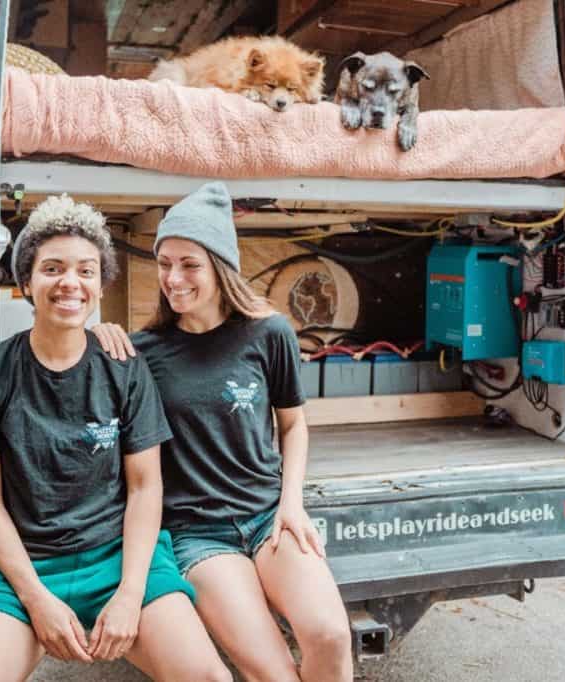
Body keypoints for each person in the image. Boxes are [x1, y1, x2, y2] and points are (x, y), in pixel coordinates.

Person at [0, 195, 230, 682]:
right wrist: (35, 599)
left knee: (209, 678)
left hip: (119, 558)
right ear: (26, 281)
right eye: (52, 268)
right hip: (23, 570)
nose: (70, 282)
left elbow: (144, 487)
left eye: (86, 271)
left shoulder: (124, 367)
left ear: (99, 284)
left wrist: (132, 595)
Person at [94, 182, 353, 682]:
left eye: (189, 263)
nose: (173, 277)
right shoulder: (140, 352)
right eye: (165, 263)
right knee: (271, 672)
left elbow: (293, 424)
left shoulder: (269, 332)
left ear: (220, 266)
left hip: (267, 519)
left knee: (331, 636)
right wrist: (96, 331)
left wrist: (291, 503)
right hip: (196, 534)